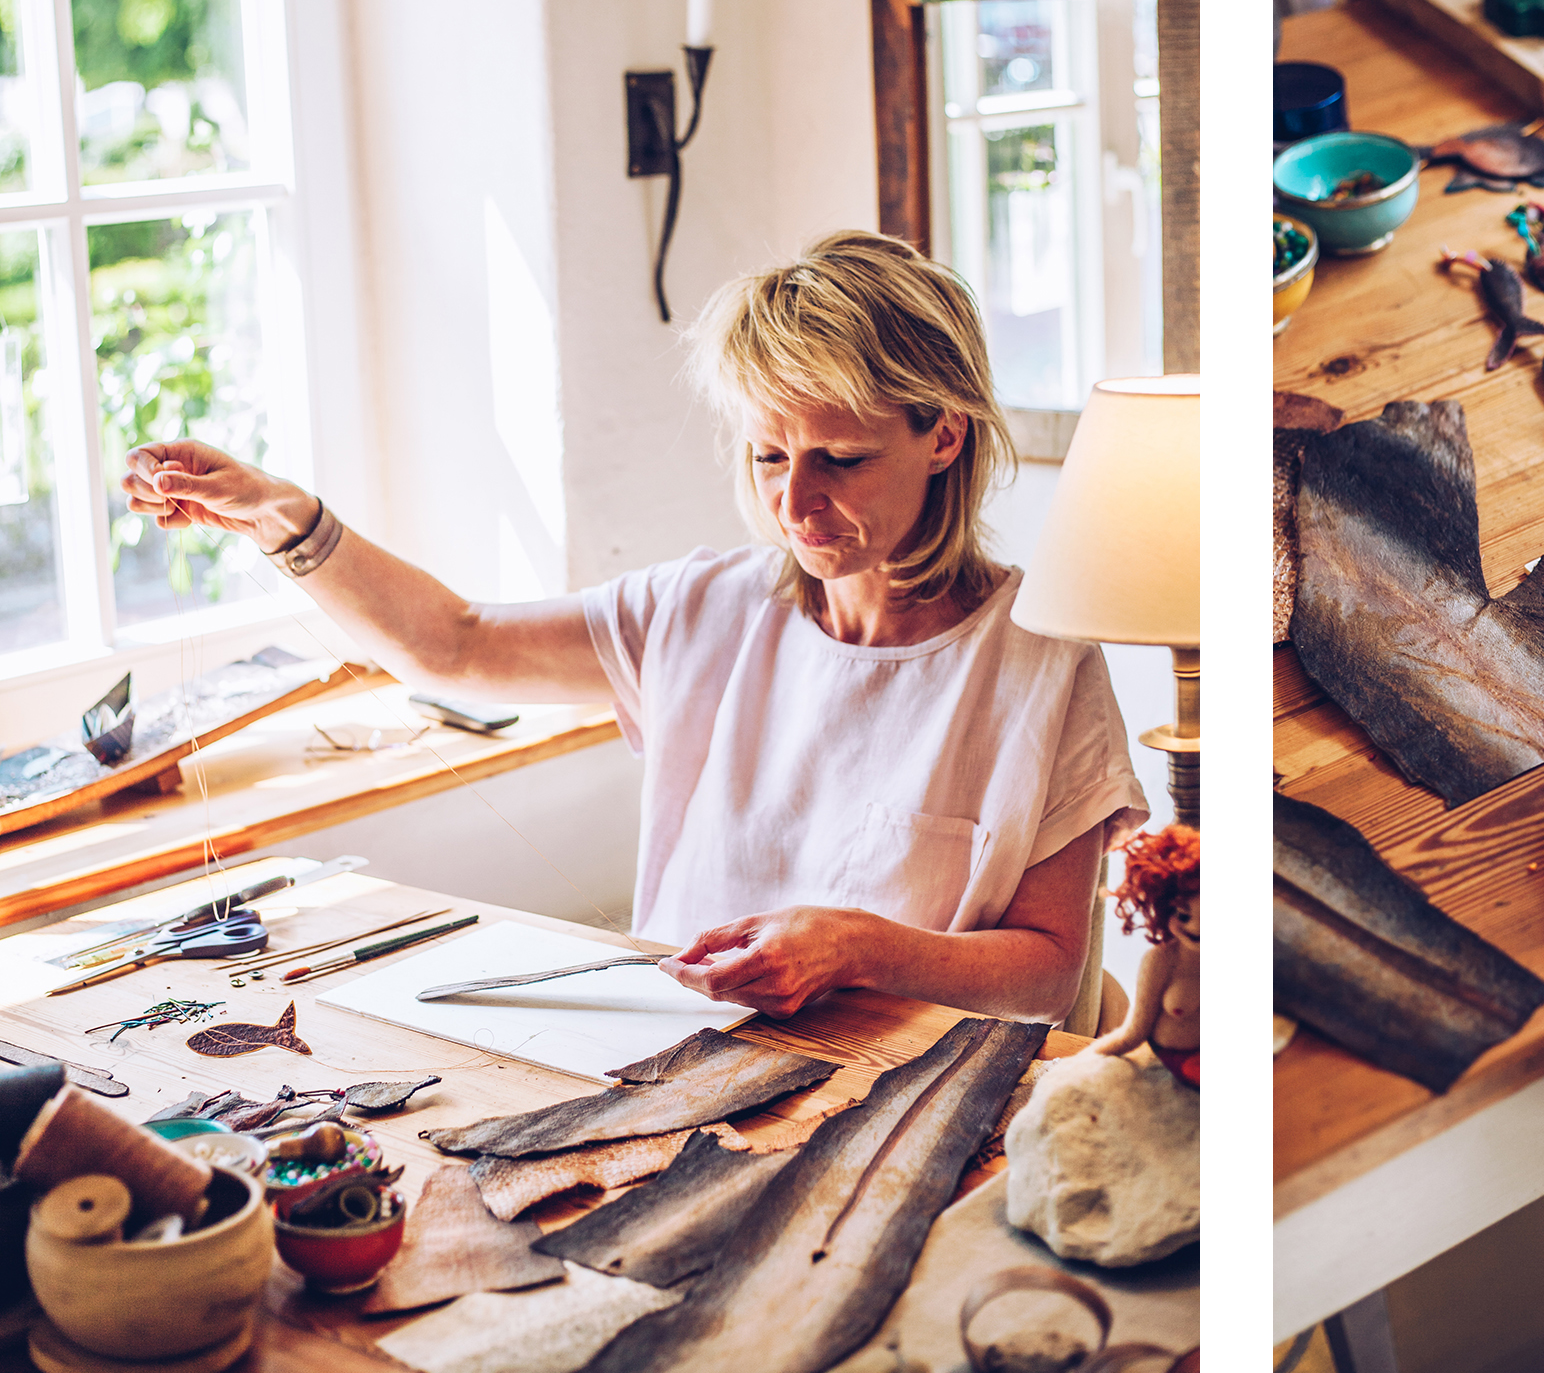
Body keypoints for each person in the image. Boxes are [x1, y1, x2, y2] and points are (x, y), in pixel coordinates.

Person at [124, 231, 1147, 1025]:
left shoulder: (1039, 659)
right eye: (767, 458)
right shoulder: (701, 611)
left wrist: (862, 947)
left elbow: (1051, 976)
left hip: (909, 1094)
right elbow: (456, 644)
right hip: (670, 1060)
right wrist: (282, 520)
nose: (797, 502)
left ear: (943, 434)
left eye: (839, 458)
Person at [1088, 823, 1199, 1086]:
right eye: (1184, 915)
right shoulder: (1160, 961)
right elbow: (1134, 1032)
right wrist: (1084, 1061)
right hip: (1175, 1062)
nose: (1197, 928)